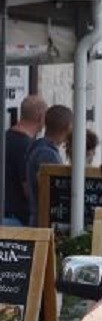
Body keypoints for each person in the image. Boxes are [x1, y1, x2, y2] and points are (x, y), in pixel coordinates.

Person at [26, 105, 73, 226]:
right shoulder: (47, 154)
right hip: (44, 221)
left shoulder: (38, 146)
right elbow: (50, 190)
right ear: (68, 126)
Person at [5, 95, 46, 225]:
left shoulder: (5, 138)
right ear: (40, 117)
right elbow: (29, 189)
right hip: (16, 220)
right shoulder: (28, 147)